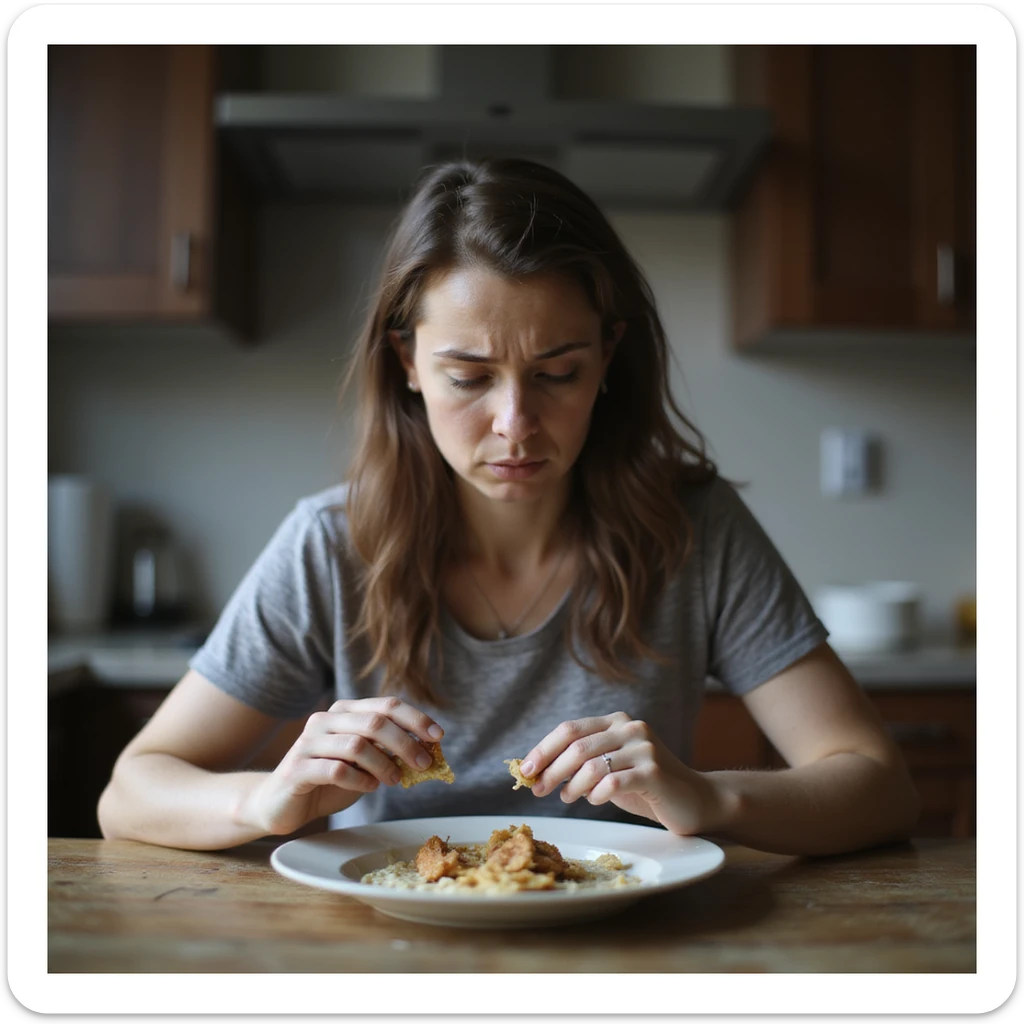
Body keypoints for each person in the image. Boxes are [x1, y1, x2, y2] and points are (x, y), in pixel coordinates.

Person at [98, 158, 920, 856]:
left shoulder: (694, 530)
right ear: (408, 364)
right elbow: (131, 792)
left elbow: (879, 785)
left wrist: (713, 801)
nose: (516, 425)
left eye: (558, 373)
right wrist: (265, 802)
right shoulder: (330, 544)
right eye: (469, 376)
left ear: (608, 358)